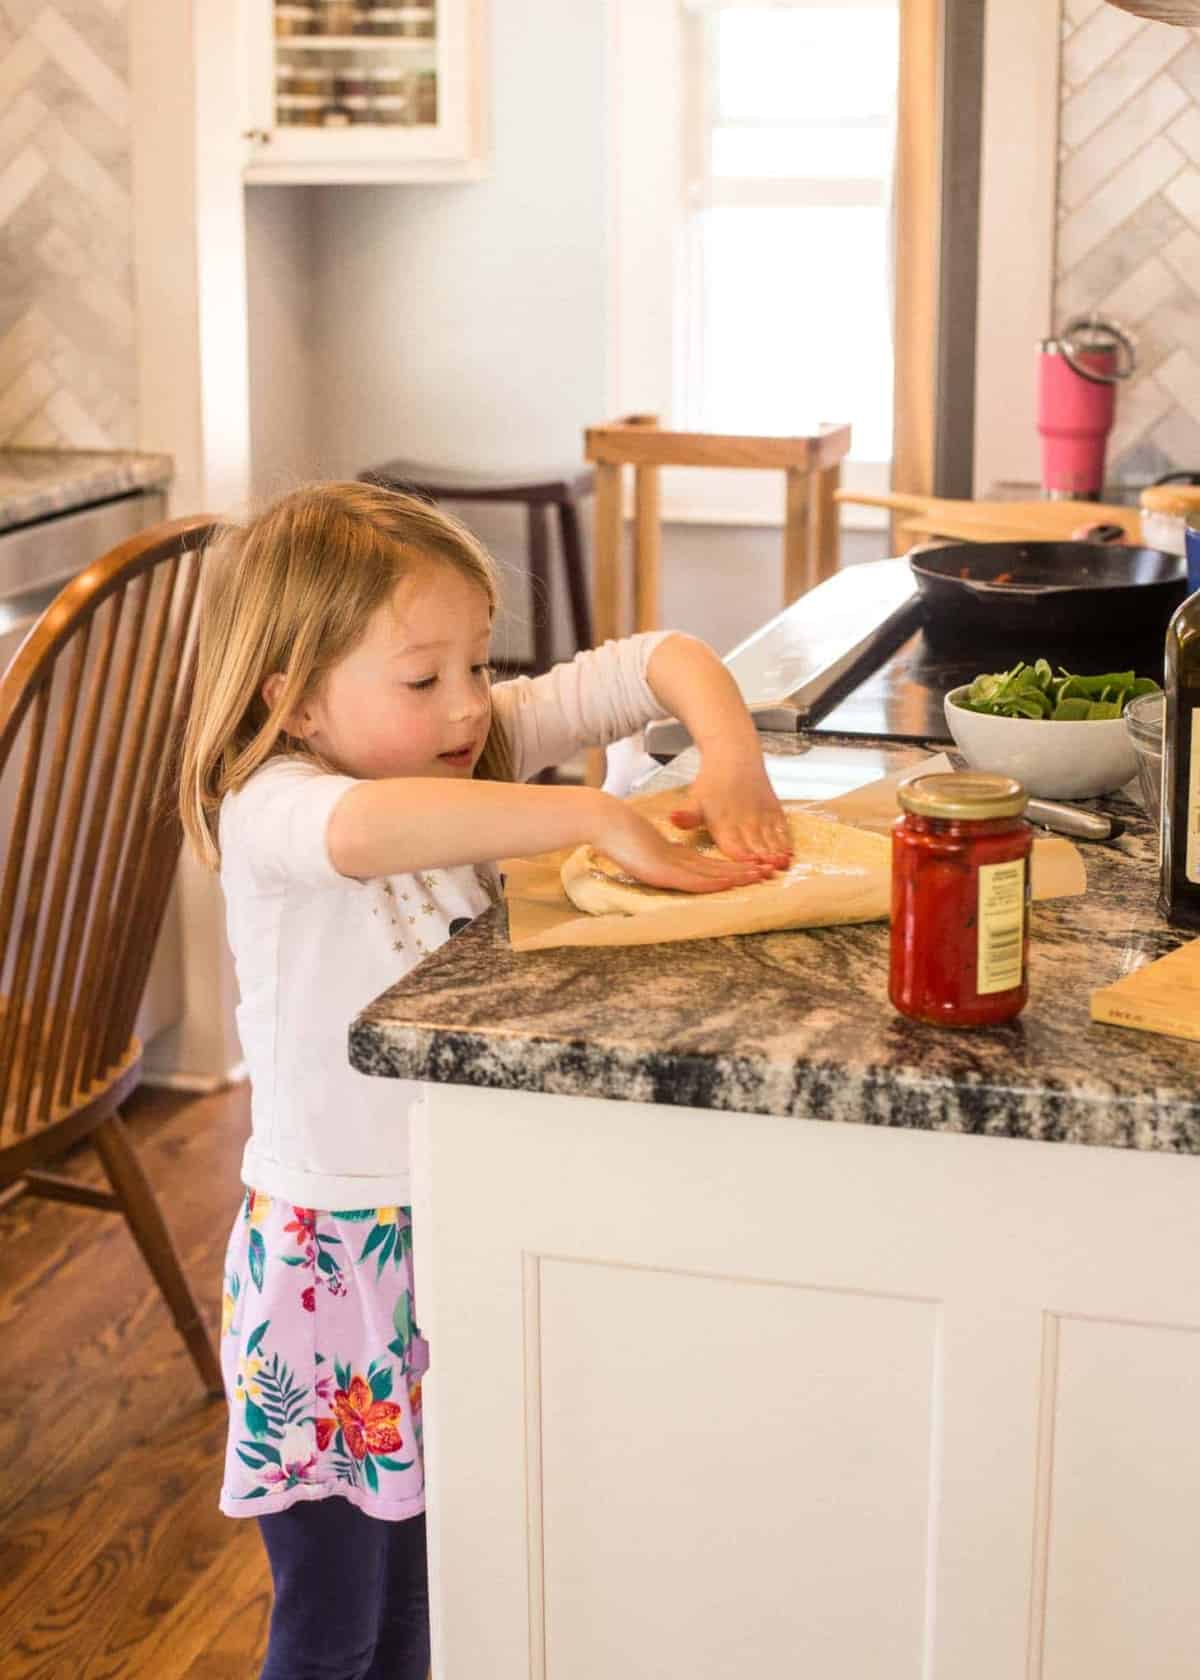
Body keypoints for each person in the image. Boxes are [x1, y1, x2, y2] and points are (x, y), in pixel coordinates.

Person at [179, 479, 791, 1680]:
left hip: (469, 1231)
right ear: (291, 698)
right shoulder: (270, 808)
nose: (467, 703)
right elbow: (363, 830)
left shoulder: (474, 735)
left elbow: (660, 658)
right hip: (336, 1277)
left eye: (480, 661)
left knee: (439, 1604)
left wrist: (733, 757)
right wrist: (594, 824)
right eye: (423, 677)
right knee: (332, 1629)